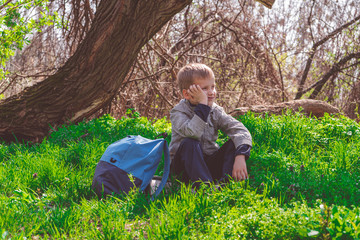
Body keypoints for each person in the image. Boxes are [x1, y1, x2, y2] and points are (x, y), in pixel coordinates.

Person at [169, 63, 253, 187]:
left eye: (213, 86)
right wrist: (203, 105)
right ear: (187, 94)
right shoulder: (178, 112)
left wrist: (240, 156)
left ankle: (224, 185)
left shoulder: (215, 111)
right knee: (189, 143)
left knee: (234, 143)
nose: (211, 92)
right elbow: (193, 133)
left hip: (207, 165)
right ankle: (205, 189)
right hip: (184, 168)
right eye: (204, 89)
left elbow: (239, 130)